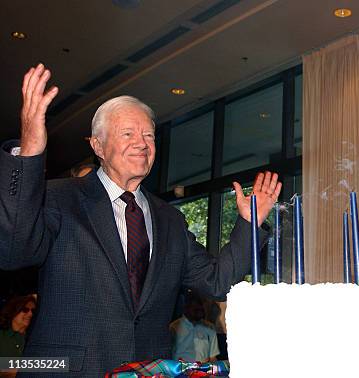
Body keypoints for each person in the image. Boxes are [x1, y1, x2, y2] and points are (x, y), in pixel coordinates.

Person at [0, 64, 282, 376]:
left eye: (149, 134)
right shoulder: (60, 198)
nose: (142, 143)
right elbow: (14, 250)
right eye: (128, 133)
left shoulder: (170, 220)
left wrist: (249, 223)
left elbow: (216, 281)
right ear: (98, 146)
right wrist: (29, 152)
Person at [170, 294, 220, 363]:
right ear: (186, 308)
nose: (200, 310)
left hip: (203, 370)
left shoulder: (210, 327)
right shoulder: (174, 327)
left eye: (201, 309)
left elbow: (213, 357)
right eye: (196, 309)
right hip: (180, 370)